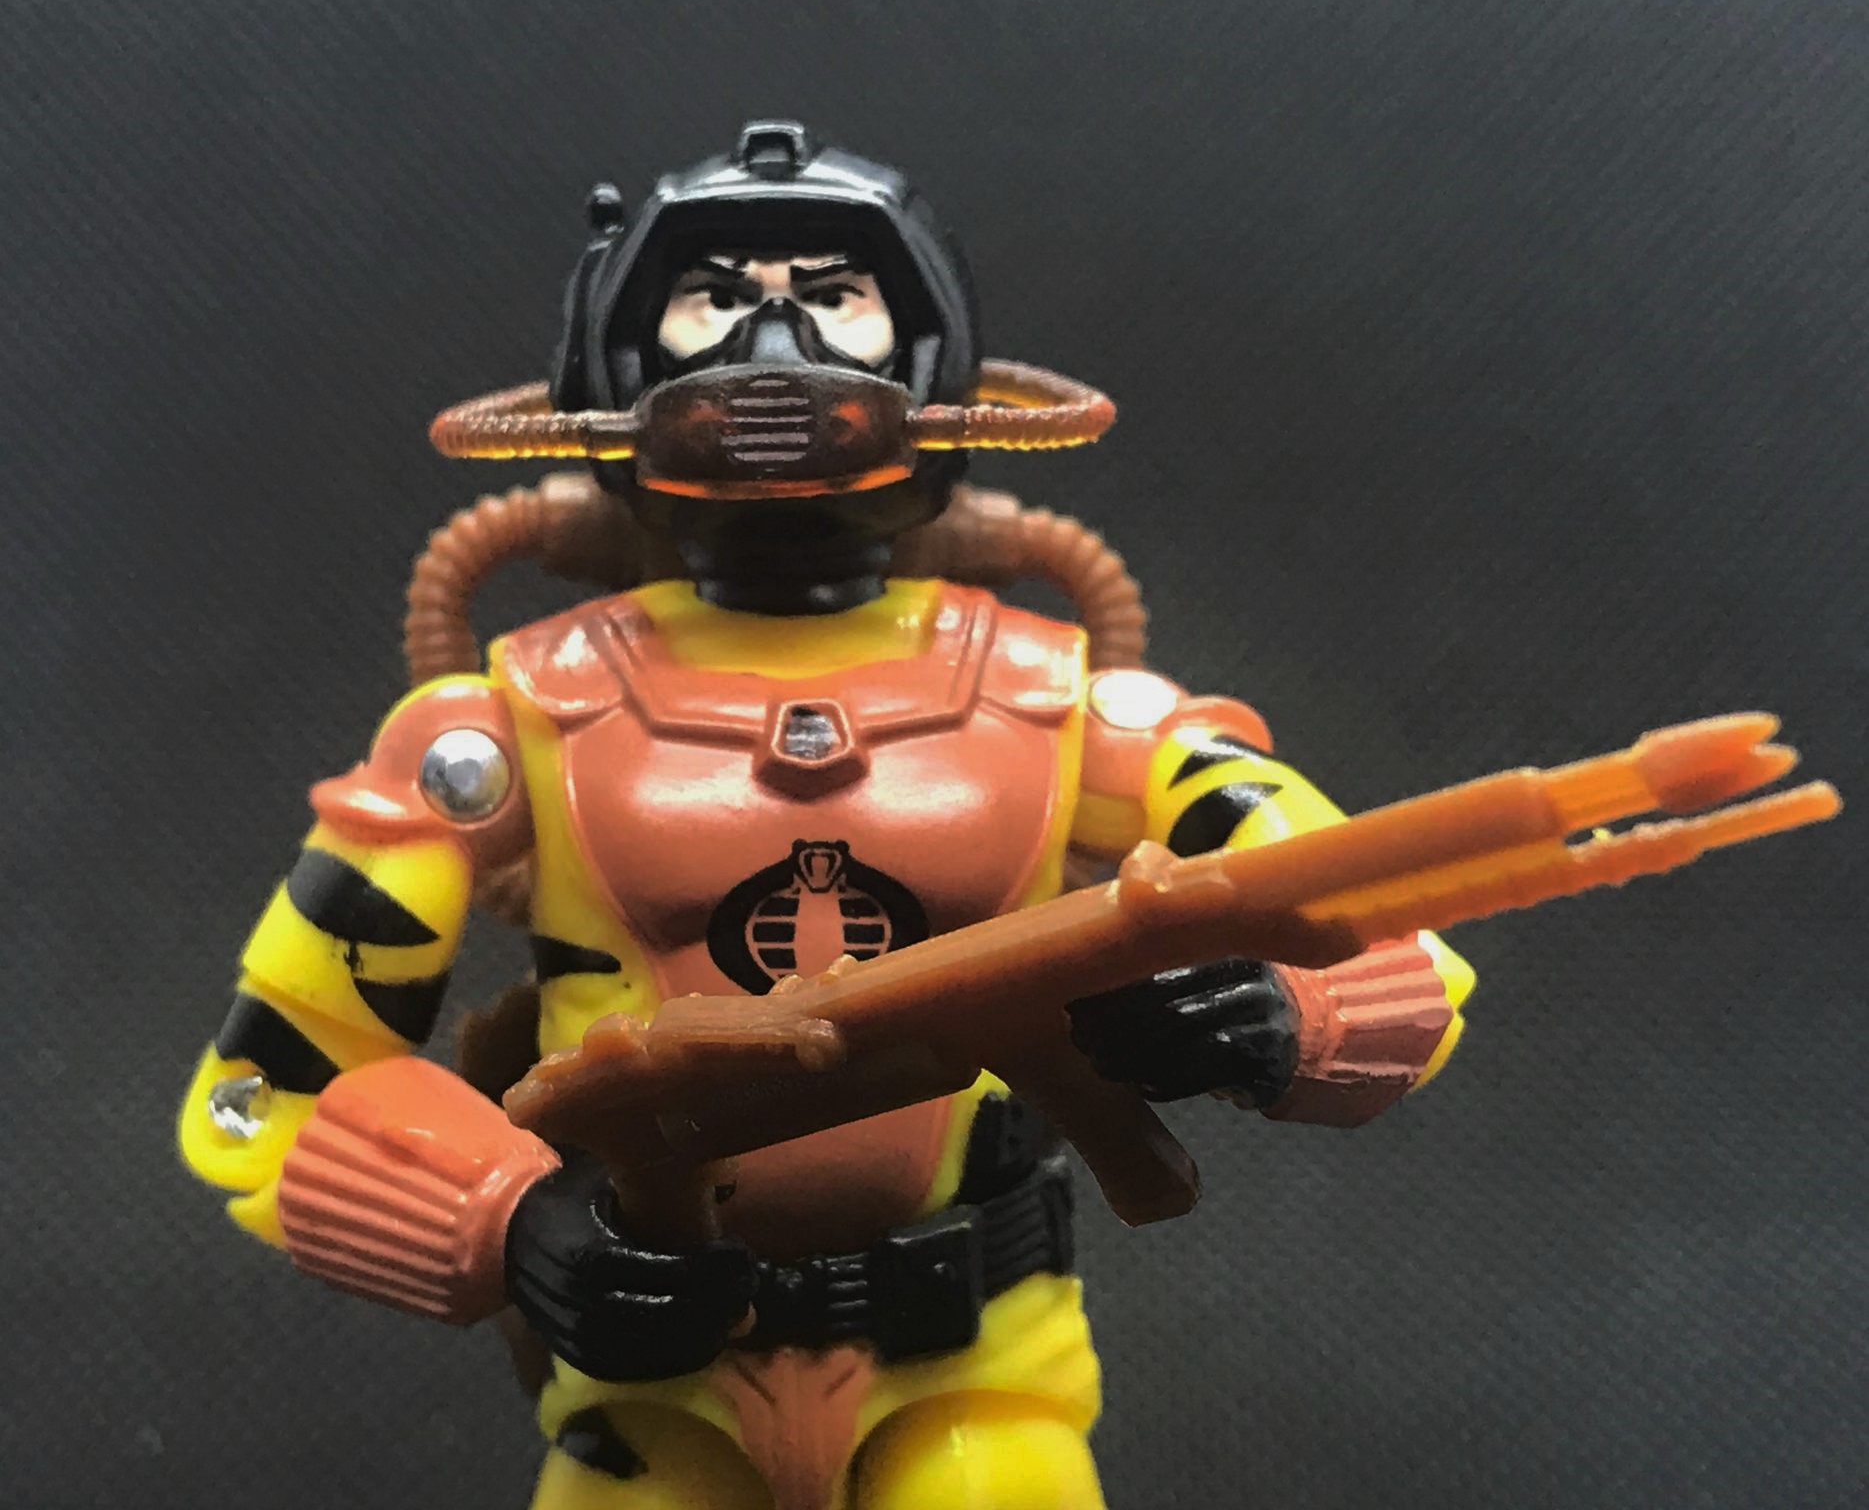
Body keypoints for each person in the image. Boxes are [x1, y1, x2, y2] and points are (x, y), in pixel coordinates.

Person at [179, 121, 1473, 1510]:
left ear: (927, 356)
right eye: (714, 298)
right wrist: (505, 1222)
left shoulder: (1073, 704)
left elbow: (1387, 920)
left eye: (834, 296)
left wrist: (1280, 1013)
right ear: (621, 363)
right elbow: (268, 1086)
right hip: (652, 1388)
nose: (774, 345)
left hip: (978, 1357)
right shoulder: (503, 725)